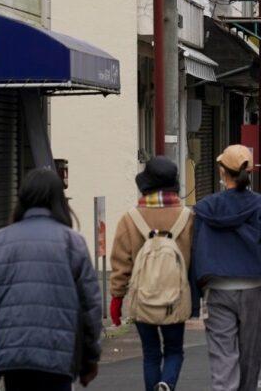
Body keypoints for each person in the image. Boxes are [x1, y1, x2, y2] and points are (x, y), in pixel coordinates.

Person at [0, 168, 101, 391]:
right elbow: (91, 307)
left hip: (13, 355)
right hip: (58, 355)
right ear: (59, 201)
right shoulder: (72, 243)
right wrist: (90, 358)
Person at [190, 145, 261, 391]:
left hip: (217, 289)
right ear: (250, 172)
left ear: (222, 172)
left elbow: (195, 251)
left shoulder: (205, 209)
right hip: (252, 287)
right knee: (250, 352)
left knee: (222, 351)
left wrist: (193, 294)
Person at [110, 156, 195, 391]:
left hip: (142, 298)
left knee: (150, 354)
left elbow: (120, 263)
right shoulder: (188, 217)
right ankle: (166, 384)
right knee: (174, 350)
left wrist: (116, 298)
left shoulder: (130, 218)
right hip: (174, 299)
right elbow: (195, 258)